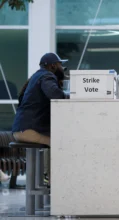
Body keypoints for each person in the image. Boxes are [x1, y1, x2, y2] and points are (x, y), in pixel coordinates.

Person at [12, 52, 67, 184]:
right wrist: (70, 96)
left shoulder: (37, 77)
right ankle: (49, 178)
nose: (63, 69)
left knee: (53, 139)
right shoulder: (47, 76)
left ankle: (46, 177)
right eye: (60, 65)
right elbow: (56, 95)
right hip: (28, 131)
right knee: (59, 143)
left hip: (21, 129)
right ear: (53, 66)